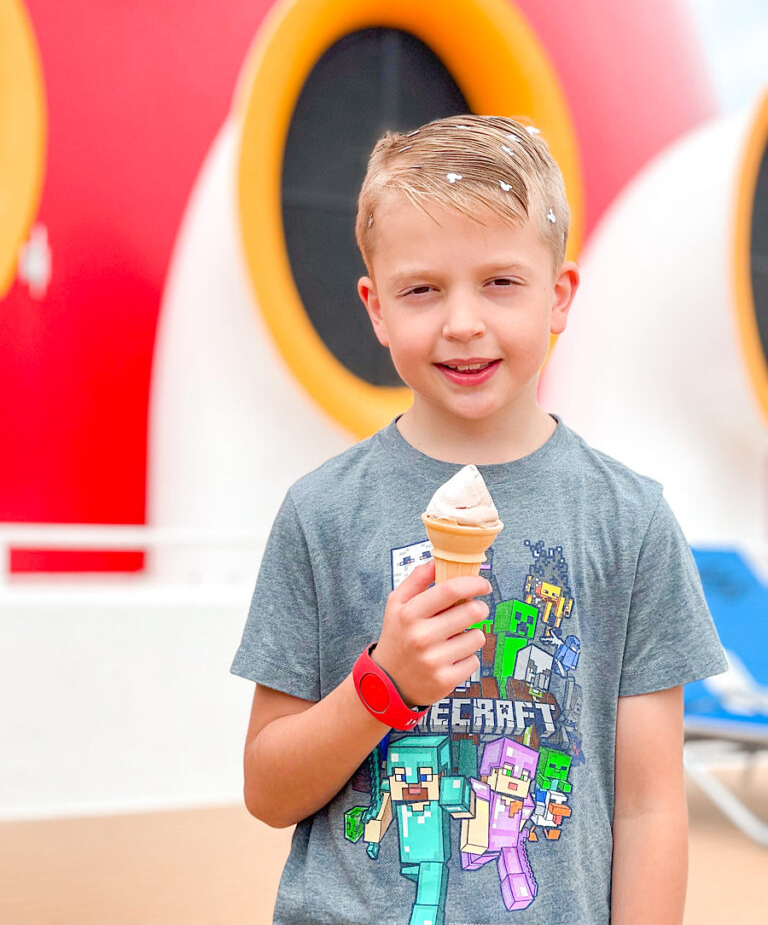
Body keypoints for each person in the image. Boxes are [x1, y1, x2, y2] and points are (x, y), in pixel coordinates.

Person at [231, 115, 727, 925]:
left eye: (500, 281)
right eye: (423, 289)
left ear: (560, 296)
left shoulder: (630, 521)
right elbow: (267, 789)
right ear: (378, 308)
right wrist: (383, 685)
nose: (462, 321)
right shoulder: (321, 512)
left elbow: (647, 809)